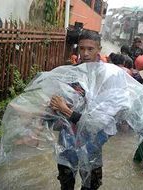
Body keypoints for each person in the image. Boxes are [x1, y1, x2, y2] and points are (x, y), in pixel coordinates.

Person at [50, 30, 105, 190]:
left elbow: (98, 122)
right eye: (81, 49)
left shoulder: (105, 77)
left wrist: (65, 110)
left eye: (90, 49)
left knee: (91, 185)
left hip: (92, 143)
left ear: (99, 49)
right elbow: (56, 103)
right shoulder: (70, 74)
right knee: (66, 183)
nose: (85, 54)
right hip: (68, 139)